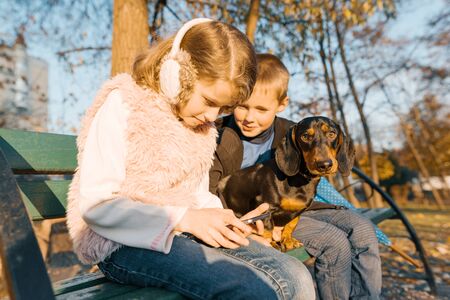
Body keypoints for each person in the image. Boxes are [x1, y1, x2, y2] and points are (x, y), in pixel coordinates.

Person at [66, 19, 315, 299]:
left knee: (296, 275)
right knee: (250, 288)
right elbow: (97, 206)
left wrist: (229, 222)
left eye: (222, 108)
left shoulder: (200, 127)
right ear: (177, 75)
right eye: (209, 101)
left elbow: (196, 196)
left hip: (182, 232)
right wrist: (185, 219)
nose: (212, 116)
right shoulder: (124, 105)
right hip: (122, 243)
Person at [209, 53, 382, 300]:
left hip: (296, 205)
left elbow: (318, 183)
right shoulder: (217, 136)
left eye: (260, 108)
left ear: (281, 104)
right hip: (251, 216)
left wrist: (347, 210)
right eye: (242, 106)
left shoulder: (294, 130)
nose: (249, 117)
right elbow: (209, 194)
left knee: (364, 228)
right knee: (334, 241)